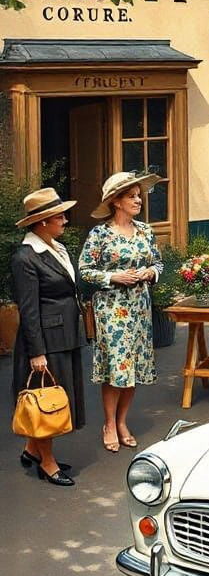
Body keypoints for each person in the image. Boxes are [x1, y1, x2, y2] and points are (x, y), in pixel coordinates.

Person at [78, 171, 163, 452]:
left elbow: (159, 263)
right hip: (112, 310)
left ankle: (122, 421)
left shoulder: (145, 231)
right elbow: (84, 271)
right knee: (117, 367)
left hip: (140, 307)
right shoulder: (100, 234)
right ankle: (109, 424)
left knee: (133, 366)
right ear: (116, 201)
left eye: (139, 196)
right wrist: (113, 277)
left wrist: (151, 272)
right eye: (132, 196)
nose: (138, 200)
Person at [10, 188, 84, 486]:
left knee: (55, 397)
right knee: (47, 402)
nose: (65, 220)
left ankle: (32, 450)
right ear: (42, 222)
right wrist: (36, 352)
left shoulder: (56, 248)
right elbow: (28, 310)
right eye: (60, 216)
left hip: (65, 335)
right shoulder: (25, 257)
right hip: (45, 341)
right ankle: (47, 463)